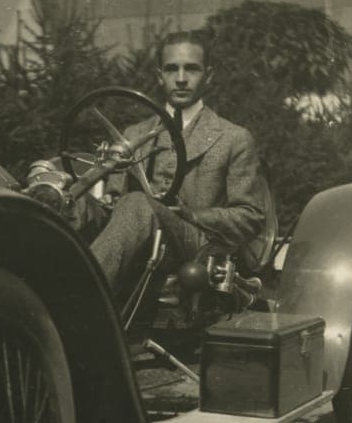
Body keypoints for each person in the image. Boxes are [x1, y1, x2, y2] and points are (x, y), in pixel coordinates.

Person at [28, 29, 269, 306]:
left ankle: (78, 302)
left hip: (195, 245)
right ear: (159, 75)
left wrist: (193, 214)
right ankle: (29, 295)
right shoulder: (133, 133)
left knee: (138, 204)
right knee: (66, 202)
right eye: (171, 69)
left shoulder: (233, 138)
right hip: (136, 235)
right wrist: (85, 200)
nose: (180, 79)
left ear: (209, 76)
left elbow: (250, 217)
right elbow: (114, 202)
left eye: (191, 69)